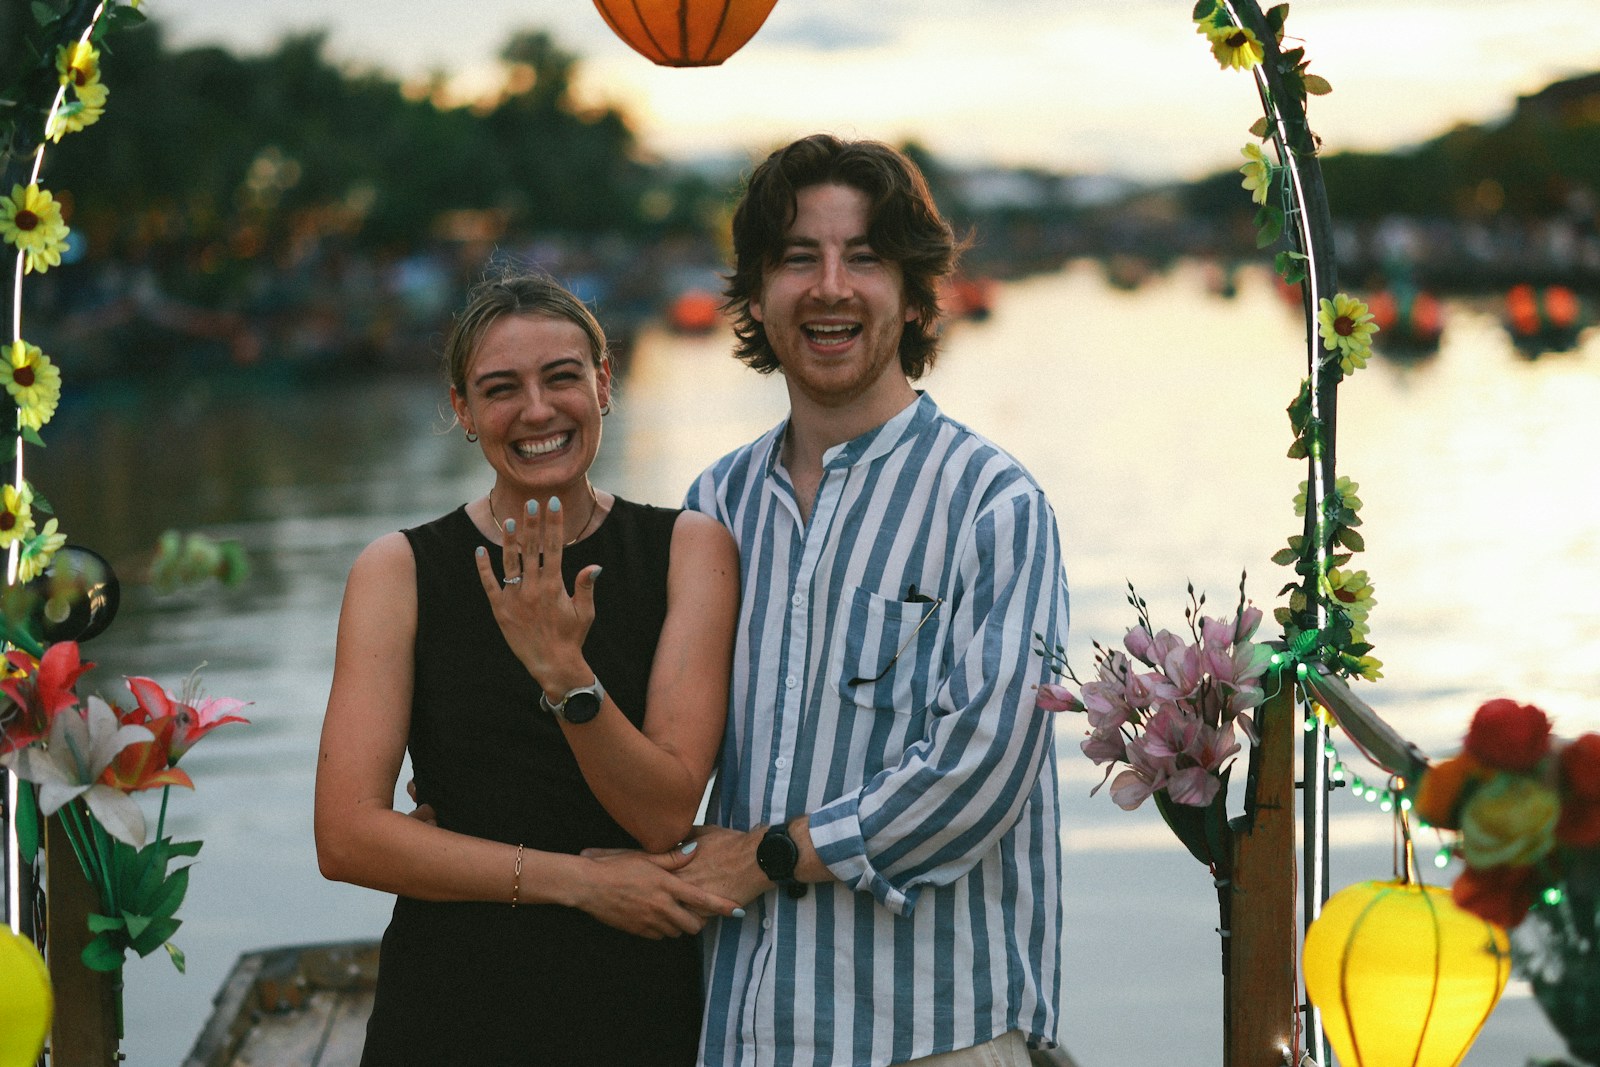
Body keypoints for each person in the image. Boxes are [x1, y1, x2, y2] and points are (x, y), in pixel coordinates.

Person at [680, 134, 1070, 1067]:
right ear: (757, 291)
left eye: (863, 257)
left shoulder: (993, 503)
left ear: (912, 289)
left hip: (934, 1034)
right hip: (743, 1027)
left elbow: (979, 771)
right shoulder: (712, 507)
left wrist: (772, 853)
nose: (830, 287)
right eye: (796, 258)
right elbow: (654, 739)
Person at [313, 272, 741, 1066]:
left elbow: (662, 814)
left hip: (635, 999)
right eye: (501, 388)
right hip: (452, 999)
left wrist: (565, 676)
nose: (538, 410)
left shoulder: (688, 550)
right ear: (463, 411)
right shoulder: (398, 571)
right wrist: (580, 881)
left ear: (604, 383)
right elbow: (345, 836)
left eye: (563, 376)